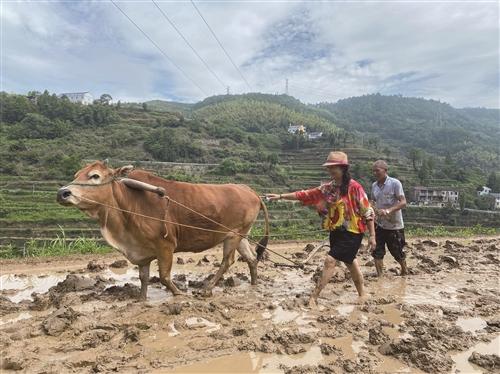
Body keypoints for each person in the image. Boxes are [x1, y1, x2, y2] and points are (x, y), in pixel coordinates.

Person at [266, 151, 375, 307]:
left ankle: (314, 297)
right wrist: (281, 196)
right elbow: (305, 194)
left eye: (333, 168)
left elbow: (368, 211)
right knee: (351, 263)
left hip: (353, 232)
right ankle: (363, 294)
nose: (330, 171)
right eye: (329, 168)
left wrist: (372, 235)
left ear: (343, 168)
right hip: (336, 231)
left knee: (330, 260)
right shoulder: (328, 188)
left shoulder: (355, 187)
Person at [371, 160, 408, 276]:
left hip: (394, 225)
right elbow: (373, 201)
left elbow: (403, 202)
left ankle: (404, 270)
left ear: (385, 170)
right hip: (380, 224)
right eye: (374, 171)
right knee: (377, 251)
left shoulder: (395, 183)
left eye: (377, 170)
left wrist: (388, 210)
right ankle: (380, 277)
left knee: (397, 252)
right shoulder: (374, 186)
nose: (375, 173)